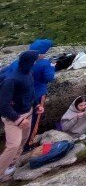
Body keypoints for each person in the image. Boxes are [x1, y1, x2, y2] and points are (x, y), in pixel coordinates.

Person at [1, 39, 56, 142]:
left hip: (16, 97)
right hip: (37, 95)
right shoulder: (44, 63)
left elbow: (4, 72)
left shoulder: (18, 62)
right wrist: (52, 66)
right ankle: (27, 144)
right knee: (33, 121)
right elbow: (49, 78)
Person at [0, 50, 41, 183]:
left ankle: (11, 165)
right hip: (14, 118)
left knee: (23, 140)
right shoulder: (11, 80)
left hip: (27, 113)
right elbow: (3, 105)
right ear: (30, 62)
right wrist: (18, 119)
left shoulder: (28, 73)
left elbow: (30, 91)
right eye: (35, 60)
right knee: (13, 145)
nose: (37, 62)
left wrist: (36, 106)